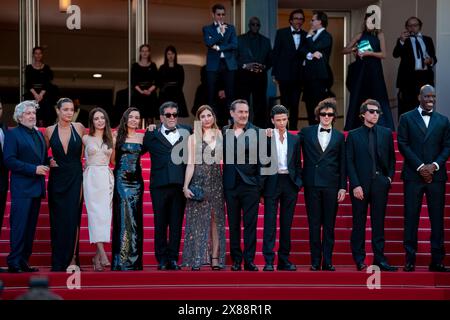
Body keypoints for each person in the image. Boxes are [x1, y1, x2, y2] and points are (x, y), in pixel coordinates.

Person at [398, 85, 450, 272]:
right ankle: (410, 259)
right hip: (413, 175)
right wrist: (421, 167)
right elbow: (403, 144)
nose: (431, 99)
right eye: (427, 95)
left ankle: (437, 261)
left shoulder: (443, 120)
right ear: (419, 96)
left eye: (433, 96)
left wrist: (433, 166)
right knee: (411, 218)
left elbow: (447, 146)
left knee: (437, 220)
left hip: (436, 177)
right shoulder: (406, 118)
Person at [346, 99, 397, 272]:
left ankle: (379, 259)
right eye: (372, 111)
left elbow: (392, 160)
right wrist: (355, 185)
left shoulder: (386, 133)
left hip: (380, 185)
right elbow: (349, 162)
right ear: (363, 114)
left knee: (378, 224)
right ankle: (359, 259)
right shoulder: (353, 135)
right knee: (358, 223)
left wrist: (388, 179)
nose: (375, 114)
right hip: (360, 186)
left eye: (378, 112)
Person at [298, 98, 346, 271]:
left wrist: (343, 186)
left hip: (331, 185)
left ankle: (327, 261)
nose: (327, 117)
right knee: (313, 224)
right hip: (312, 184)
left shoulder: (340, 137)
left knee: (329, 225)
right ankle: (314, 261)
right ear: (318, 115)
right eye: (324, 114)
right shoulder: (306, 132)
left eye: (330, 114)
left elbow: (343, 164)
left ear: (334, 117)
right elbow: (290, 146)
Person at [143, 101, 192, 270]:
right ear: (162, 117)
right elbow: (135, 149)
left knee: (176, 223)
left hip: (179, 185)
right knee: (160, 223)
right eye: (169, 115)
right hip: (159, 185)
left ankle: (173, 258)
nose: (172, 118)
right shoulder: (151, 134)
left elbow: (209, 135)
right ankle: (162, 259)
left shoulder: (188, 131)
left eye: (175, 114)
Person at [3, 100, 48, 273]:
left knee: (30, 229)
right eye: (28, 113)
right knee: (20, 227)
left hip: (36, 188)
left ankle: (23, 261)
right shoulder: (13, 134)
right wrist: (33, 169)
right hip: (22, 189)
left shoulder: (37, 133)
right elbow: (9, 160)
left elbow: (39, 157)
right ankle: (14, 262)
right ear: (19, 116)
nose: (32, 116)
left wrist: (48, 161)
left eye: (34, 113)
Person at [181, 105, 226, 270]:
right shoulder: (193, 138)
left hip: (216, 181)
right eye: (203, 116)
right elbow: (190, 164)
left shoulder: (220, 134)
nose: (206, 119)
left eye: (209, 115)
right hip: (198, 180)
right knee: (198, 221)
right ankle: (197, 257)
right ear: (199, 120)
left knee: (216, 220)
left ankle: (215, 257)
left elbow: (223, 159)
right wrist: (186, 186)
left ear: (213, 116)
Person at [45, 98, 85, 272]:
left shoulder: (79, 127)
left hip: (76, 177)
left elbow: (91, 146)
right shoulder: (49, 130)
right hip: (57, 179)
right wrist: (48, 159)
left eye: (72, 109)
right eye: (66, 109)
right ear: (58, 110)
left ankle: (72, 259)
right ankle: (58, 260)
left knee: (72, 218)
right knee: (58, 220)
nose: (69, 112)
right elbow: (40, 152)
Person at [222, 99, 262, 271]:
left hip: (250, 185)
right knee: (233, 224)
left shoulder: (258, 132)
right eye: (240, 112)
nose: (244, 115)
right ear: (232, 113)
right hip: (230, 185)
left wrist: (260, 187)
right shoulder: (224, 132)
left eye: (246, 112)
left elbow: (263, 162)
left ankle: (249, 260)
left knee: (250, 225)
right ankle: (236, 260)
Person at [262, 105, 302, 271]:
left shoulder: (295, 139)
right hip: (272, 181)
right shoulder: (266, 137)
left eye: (284, 120)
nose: (281, 123)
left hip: (290, 183)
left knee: (287, 224)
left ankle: (283, 260)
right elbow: (261, 164)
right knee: (270, 223)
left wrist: (297, 183)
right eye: (278, 120)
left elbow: (297, 163)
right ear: (272, 120)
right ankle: (269, 261)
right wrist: (261, 190)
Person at [343, 13, 394, 131]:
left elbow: (384, 54)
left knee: (378, 96)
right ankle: (354, 126)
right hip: (360, 70)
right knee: (358, 97)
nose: (368, 24)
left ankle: (382, 126)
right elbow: (344, 50)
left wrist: (369, 53)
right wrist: (354, 49)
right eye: (367, 21)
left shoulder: (379, 34)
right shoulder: (360, 35)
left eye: (371, 21)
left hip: (374, 70)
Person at [111, 107, 145, 271]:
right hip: (121, 181)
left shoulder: (142, 136)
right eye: (131, 117)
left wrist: (153, 128)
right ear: (125, 118)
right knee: (126, 218)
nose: (134, 120)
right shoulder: (116, 135)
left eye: (137, 117)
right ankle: (123, 261)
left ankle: (135, 261)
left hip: (137, 182)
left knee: (136, 219)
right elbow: (111, 160)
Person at [82, 108, 114, 272]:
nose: (100, 121)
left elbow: (114, 161)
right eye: (96, 118)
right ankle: (102, 253)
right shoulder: (86, 138)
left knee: (104, 216)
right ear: (92, 122)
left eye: (102, 118)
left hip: (106, 177)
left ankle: (95, 257)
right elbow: (79, 158)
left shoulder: (111, 139)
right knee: (94, 215)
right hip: (91, 177)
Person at [393, 17, 437, 118]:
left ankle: (425, 130)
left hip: (425, 77)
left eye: (415, 25)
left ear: (420, 26)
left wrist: (430, 61)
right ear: (406, 27)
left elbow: (434, 58)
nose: (412, 28)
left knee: (426, 108)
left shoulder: (428, 39)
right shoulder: (403, 40)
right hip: (408, 79)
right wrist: (402, 41)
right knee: (407, 108)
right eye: (409, 25)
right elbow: (395, 54)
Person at [202, 3, 238, 123]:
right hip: (213, 66)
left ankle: (231, 125)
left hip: (229, 65)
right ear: (213, 15)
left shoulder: (231, 28)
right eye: (218, 14)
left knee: (231, 96)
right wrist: (220, 34)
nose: (221, 17)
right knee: (211, 95)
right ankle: (212, 124)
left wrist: (218, 48)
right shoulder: (207, 29)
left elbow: (234, 45)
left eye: (223, 14)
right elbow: (208, 42)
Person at [272, 9, 307, 130]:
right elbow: (275, 53)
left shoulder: (306, 35)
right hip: (284, 75)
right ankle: (283, 130)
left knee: (295, 105)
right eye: (296, 18)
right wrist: (274, 74)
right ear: (291, 20)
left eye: (301, 19)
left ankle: (293, 131)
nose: (299, 21)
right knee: (284, 104)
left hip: (299, 76)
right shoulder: (281, 33)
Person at [236, 16, 272, 128]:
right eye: (253, 24)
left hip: (260, 76)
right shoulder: (240, 39)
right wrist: (245, 66)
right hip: (243, 77)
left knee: (260, 105)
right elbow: (234, 58)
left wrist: (263, 67)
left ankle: (259, 130)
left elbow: (270, 59)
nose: (255, 26)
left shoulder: (266, 41)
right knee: (242, 104)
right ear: (249, 25)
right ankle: (242, 128)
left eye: (257, 25)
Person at [301, 11, 334, 126]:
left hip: (319, 78)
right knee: (309, 106)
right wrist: (310, 55)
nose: (311, 22)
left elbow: (314, 46)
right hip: (308, 77)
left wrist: (309, 37)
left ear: (320, 22)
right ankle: (311, 132)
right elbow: (302, 50)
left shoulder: (326, 36)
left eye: (313, 20)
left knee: (318, 107)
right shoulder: (311, 35)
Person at [24, 46, 57, 127]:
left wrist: (41, 95)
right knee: (31, 113)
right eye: (36, 53)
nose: (38, 55)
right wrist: (35, 95)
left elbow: (47, 83)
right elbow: (28, 83)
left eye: (40, 53)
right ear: (33, 55)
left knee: (47, 113)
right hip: (32, 94)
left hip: (44, 95)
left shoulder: (46, 68)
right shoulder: (28, 68)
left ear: (42, 55)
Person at [131, 44, 158, 126]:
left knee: (150, 119)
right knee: (138, 117)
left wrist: (149, 90)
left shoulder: (153, 66)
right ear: (140, 53)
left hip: (151, 95)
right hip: (138, 95)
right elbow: (133, 82)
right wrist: (142, 91)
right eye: (143, 51)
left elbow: (157, 81)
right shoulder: (135, 66)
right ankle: (138, 136)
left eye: (146, 51)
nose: (144, 53)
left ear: (149, 53)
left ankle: (150, 135)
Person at [158, 45, 188, 118]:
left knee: (175, 114)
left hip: (177, 94)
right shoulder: (162, 68)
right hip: (165, 94)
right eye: (168, 54)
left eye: (172, 54)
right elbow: (159, 82)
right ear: (166, 55)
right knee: (165, 115)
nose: (170, 56)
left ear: (175, 55)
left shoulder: (180, 68)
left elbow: (181, 82)